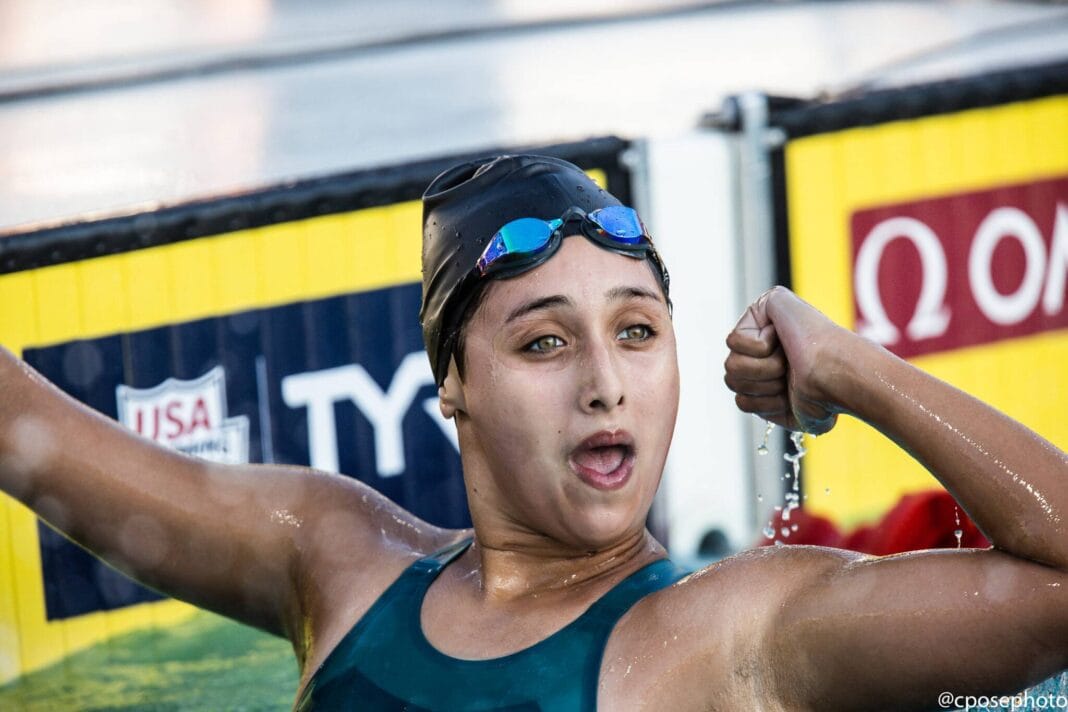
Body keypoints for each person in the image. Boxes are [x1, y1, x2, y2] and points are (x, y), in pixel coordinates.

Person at [0, 154, 1065, 711]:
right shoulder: (333, 559)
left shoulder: (742, 635)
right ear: (452, 384)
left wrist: (854, 368)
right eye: (545, 343)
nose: (605, 385)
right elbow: (20, 424)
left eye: (637, 333)